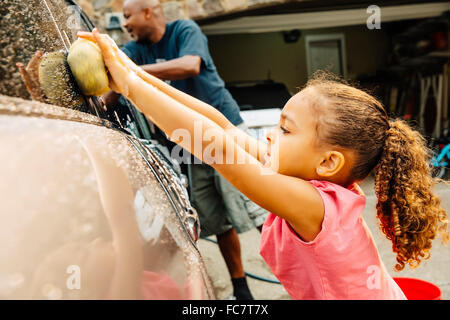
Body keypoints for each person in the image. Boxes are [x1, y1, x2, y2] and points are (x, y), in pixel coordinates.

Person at [78, 29, 450, 299]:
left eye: (285, 130)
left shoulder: (315, 205)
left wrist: (129, 86)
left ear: (327, 162)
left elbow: (215, 148)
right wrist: (134, 71)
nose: (272, 135)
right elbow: (221, 126)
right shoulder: (302, 178)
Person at [101, 0, 268, 300]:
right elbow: (112, 86)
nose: (124, 24)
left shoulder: (184, 30)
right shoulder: (134, 50)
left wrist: (130, 75)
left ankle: (296, 269)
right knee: (216, 220)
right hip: (190, 146)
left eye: (128, 16)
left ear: (149, 11)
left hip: (226, 132)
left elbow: (190, 65)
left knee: (258, 206)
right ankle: (242, 291)